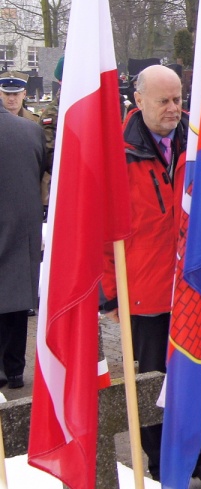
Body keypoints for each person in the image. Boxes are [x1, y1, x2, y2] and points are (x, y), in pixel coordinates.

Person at [101, 65, 201, 489]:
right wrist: (110, 292)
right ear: (137, 100)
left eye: (178, 99)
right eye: (163, 100)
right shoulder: (117, 155)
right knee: (155, 385)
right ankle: (162, 462)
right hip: (148, 294)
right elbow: (101, 232)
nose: (173, 108)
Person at [0, 91, 44, 390]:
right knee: (15, 300)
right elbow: (38, 172)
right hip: (19, 226)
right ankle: (14, 370)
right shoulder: (31, 130)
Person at [39, 57, 64, 214]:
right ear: (61, 81)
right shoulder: (52, 114)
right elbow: (48, 153)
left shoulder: (96, 108)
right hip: (63, 183)